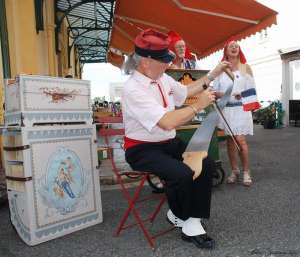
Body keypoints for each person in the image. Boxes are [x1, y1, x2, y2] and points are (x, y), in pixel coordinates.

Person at [122, 28, 229, 249]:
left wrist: (214, 73)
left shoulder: (161, 77)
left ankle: (189, 219)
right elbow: (167, 122)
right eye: (163, 60)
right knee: (181, 173)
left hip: (167, 143)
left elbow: (186, 90)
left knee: (207, 163)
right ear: (145, 63)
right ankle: (183, 217)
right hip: (142, 149)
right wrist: (199, 105)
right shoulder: (132, 89)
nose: (168, 64)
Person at [213, 40, 258, 186]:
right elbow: (214, 91)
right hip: (227, 109)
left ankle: (246, 171)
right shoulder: (220, 69)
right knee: (230, 142)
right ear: (225, 50)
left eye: (236, 46)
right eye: (230, 46)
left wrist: (241, 94)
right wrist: (225, 94)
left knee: (241, 140)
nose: (234, 47)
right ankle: (234, 170)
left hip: (241, 109)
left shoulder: (245, 68)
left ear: (239, 50)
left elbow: (252, 90)